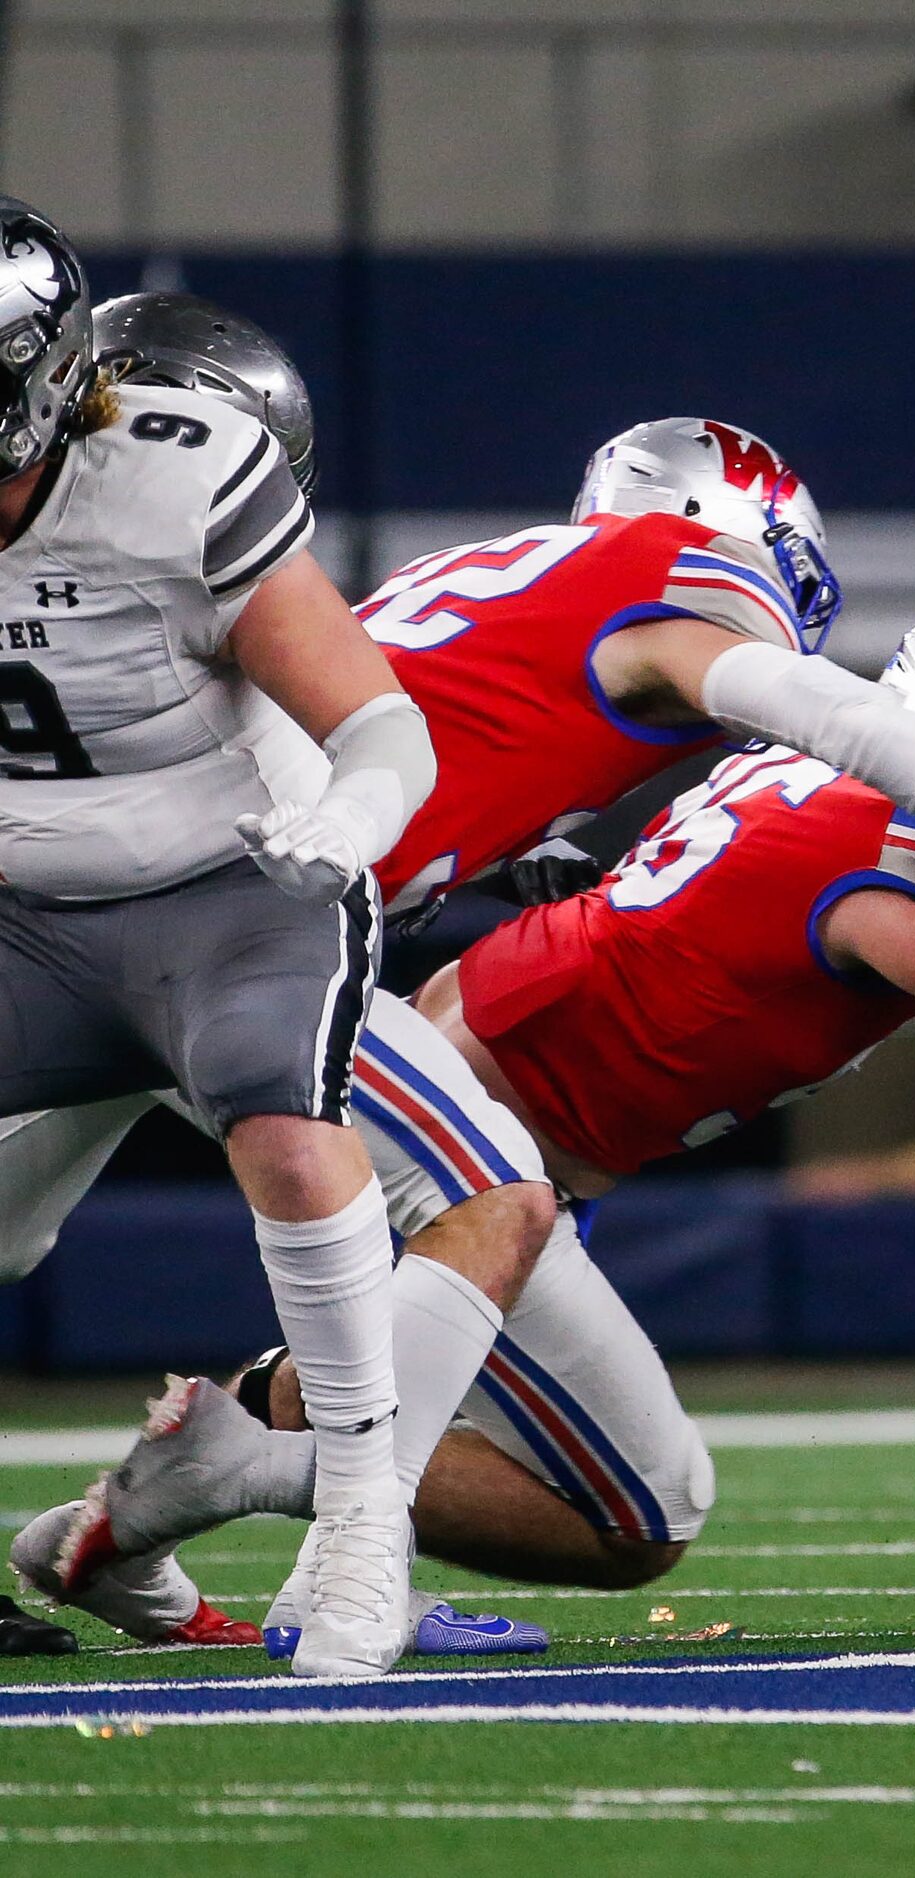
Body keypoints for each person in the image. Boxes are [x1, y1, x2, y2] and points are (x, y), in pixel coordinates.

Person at [5, 304, 915, 1647]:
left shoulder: (525, 585)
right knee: (493, 1202)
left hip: (155, 916)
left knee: (16, 1223)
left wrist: (500, 863)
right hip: (241, 937)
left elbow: (407, 746)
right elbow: (842, 721)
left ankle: (239, 1506)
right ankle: (344, 1566)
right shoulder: (695, 583)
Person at [16, 609, 915, 1643]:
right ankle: (297, 1529)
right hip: (481, 1123)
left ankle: (200, 1492)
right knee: (642, 1509)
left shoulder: (787, 787)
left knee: (553, 1433)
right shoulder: (884, 859)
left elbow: (858, 981)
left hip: (464, 1075)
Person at [0, 205, 438, 1678]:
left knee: (283, 1110)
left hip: (229, 875)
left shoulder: (174, 475)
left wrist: (354, 821)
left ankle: (367, 1519)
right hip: (19, 907)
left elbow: (379, 720)